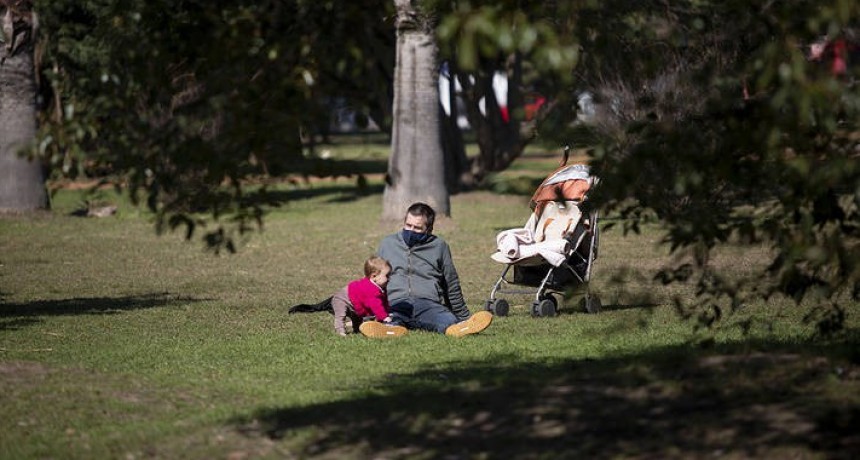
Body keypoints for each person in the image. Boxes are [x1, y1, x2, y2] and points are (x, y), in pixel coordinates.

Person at [360, 202, 493, 338]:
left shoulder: (439, 246)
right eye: (408, 225)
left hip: (428, 304)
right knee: (391, 319)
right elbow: (373, 279)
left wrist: (463, 316)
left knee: (448, 321)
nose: (411, 231)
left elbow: (451, 283)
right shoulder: (387, 243)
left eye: (417, 228)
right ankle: (391, 329)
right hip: (396, 302)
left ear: (429, 229)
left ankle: (460, 327)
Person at [331, 256, 407, 338]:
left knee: (357, 318)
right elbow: (376, 305)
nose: (389, 279)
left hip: (354, 301)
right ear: (374, 276)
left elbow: (383, 302)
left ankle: (358, 329)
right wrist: (384, 317)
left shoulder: (381, 287)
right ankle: (340, 332)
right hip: (341, 299)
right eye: (387, 276)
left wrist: (387, 312)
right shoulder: (370, 289)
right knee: (341, 315)